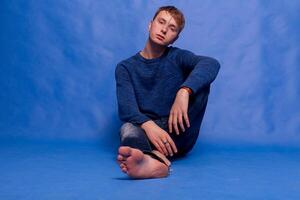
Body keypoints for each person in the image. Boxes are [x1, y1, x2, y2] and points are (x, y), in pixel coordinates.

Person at [115, 5, 220, 179]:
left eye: (171, 29)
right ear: (150, 24)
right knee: (127, 128)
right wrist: (149, 126)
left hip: (178, 132)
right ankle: (151, 161)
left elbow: (211, 63)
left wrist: (184, 91)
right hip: (147, 134)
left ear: (175, 38)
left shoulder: (177, 57)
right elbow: (127, 109)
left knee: (201, 83)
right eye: (161, 22)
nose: (163, 29)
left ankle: (150, 157)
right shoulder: (125, 67)